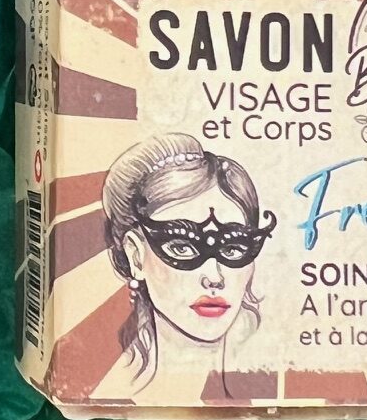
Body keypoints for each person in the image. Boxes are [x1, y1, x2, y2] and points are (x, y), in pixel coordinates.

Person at [98, 133, 276, 406]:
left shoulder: (274, 384)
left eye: (233, 248)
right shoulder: (109, 391)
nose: (214, 277)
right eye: (182, 247)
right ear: (136, 255)